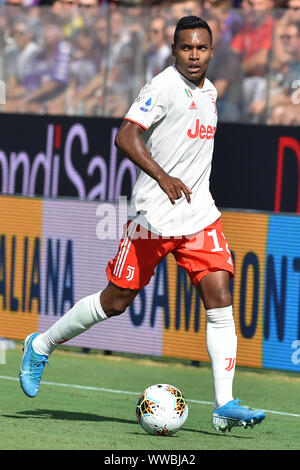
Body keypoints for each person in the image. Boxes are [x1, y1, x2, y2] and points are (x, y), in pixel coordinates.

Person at [19, 15, 266, 433]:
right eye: (185, 48)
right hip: (153, 215)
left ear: (211, 52)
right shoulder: (163, 86)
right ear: (173, 50)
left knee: (220, 296)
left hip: (198, 214)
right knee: (115, 302)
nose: (193, 55)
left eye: (201, 48)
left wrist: (184, 185)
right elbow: (126, 136)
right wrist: (162, 175)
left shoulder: (209, 91)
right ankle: (40, 344)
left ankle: (224, 404)